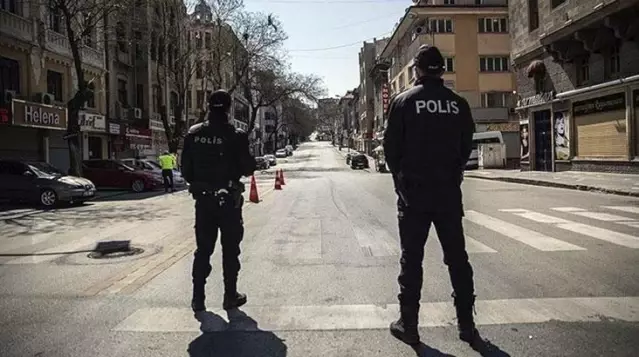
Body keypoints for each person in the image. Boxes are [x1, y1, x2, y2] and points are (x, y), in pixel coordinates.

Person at [383, 44, 480, 347]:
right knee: (457, 259)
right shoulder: (458, 103)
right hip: (448, 194)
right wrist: (454, 170)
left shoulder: (402, 102)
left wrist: (401, 179)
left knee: (412, 260)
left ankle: (408, 324)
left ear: (417, 70)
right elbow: (466, 145)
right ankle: (466, 325)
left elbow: (391, 150)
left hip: (414, 196)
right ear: (443, 70)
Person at [181, 90, 256, 313]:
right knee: (230, 250)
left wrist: (201, 181)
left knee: (203, 250)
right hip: (228, 202)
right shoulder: (236, 134)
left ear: (208, 106)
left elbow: (185, 170)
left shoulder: (193, 134)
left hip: (204, 202)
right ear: (229, 108)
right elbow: (248, 167)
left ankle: (198, 298)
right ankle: (229, 296)